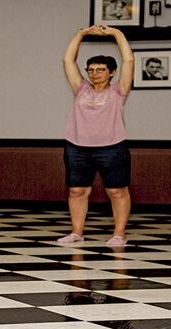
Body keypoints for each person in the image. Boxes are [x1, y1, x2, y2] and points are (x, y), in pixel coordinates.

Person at [57, 24, 134, 247]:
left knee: (116, 191)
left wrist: (116, 34)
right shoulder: (81, 89)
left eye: (100, 69)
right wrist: (81, 34)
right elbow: (67, 61)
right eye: (91, 69)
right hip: (77, 147)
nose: (94, 73)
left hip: (112, 147)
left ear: (111, 72)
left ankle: (119, 234)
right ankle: (76, 232)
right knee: (77, 190)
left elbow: (129, 60)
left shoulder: (118, 90)